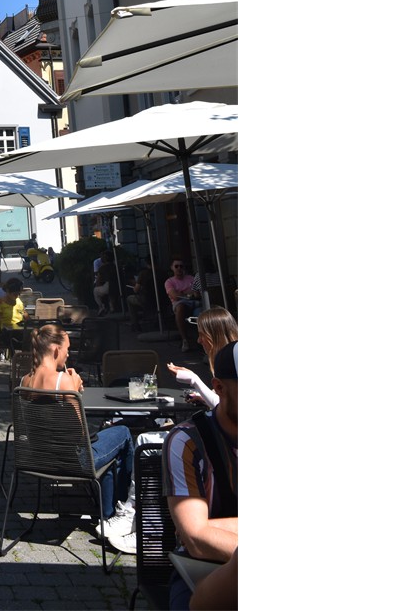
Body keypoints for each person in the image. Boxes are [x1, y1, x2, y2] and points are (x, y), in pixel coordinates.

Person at [20, 324, 136, 548]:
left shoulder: (25, 381)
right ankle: (119, 514)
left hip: (39, 459)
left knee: (109, 448)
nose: (68, 354)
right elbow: (80, 433)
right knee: (122, 433)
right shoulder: (63, 381)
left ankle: (108, 514)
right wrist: (74, 389)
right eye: (67, 349)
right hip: (72, 462)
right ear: (56, 350)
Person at [164, 341, 238, 611]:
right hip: (203, 569)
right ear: (219, 388)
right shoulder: (189, 441)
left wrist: (213, 528)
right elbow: (195, 538)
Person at [166, 308, 237, 411]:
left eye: (201, 335)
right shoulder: (227, 359)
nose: (199, 340)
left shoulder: (233, 363)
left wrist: (193, 379)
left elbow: (226, 408)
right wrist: (205, 398)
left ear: (214, 336)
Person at [164, 259, 201, 350]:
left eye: (181, 266)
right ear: (172, 268)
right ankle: (185, 340)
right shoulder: (169, 282)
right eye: (176, 266)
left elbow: (198, 293)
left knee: (203, 312)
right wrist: (189, 293)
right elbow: (175, 296)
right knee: (180, 308)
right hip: (180, 304)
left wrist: (181, 293)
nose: (179, 268)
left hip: (195, 303)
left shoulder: (191, 278)